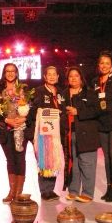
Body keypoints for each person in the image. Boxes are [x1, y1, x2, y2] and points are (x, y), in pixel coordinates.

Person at [91, 50, 112, 202]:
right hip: (101, 123)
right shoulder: (94, 82)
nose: (104, 66)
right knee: (106, 157)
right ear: (98, 65)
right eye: (102, 63)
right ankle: (109, 187)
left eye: (107, 63)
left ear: (111, 66)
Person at [63, 66, 101, 203]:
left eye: (76, 76)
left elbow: (97, 111)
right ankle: (73, 191)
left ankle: (87, 193)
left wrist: (78, 112)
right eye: (70, 76)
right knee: (74, 163)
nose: (73, 78)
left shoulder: (90, 93)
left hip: (87, 134)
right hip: (69, 134)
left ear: (81, 78)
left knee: (87, 163)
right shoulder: (63, 94)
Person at [0, 63, 29, 203]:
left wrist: (23, 117)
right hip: (5, 130)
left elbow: (30, 107)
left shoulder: (23, 89)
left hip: (21, 129)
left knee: (20, 160)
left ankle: (19, 192)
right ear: (4, 73)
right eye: (7, 71)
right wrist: (7, 120)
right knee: (10, 160)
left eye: (13, 71)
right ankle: (11, 191)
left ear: (16, 73)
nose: (10, 73)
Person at [28, 66, 65, 201]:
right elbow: (31, 110)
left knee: (54, 158)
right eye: (49, 74)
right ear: (44, 77)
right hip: (42, 133)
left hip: (56, 133)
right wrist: (43, 111)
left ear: (58, 76)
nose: (51, 77)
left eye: (54, 74)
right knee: (44, 160)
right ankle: (44, 190)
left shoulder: (61, 92)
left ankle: (51, 189)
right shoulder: (38, 91)